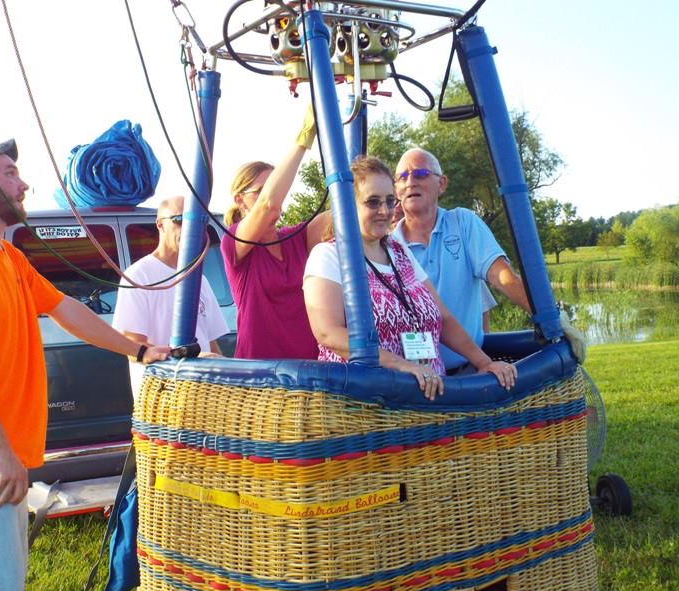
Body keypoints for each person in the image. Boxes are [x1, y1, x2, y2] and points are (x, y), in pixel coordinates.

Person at [0, 139, 169, 591]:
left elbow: (68, 310)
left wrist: (138, 350)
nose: (23, 183)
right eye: (10, 173)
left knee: (1, 579)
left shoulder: (10, 258)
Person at [303, 156, 517, 400]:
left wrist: (484, 362)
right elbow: (328, 332)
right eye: (373, 202)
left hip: (430, 398)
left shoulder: (399, 251)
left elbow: (443, 317)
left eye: (389, 201)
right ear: (348, 206)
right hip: (367, 404)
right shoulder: (329, 256)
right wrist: (402, 365)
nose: (384, 211)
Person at [391, 148, 535, 374]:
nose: (410, 182)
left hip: (467, 372)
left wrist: (550, 318)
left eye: (420, 174)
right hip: (415, 380)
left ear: (442, 184)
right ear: (396, 190)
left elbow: (502, 277)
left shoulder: (463, 223)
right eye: (402, 177)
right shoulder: (388, 248)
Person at [221, 107, 330, 359]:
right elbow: (268, 206)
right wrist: (303, 139)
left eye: (276, 186)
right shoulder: (233, 242)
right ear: (240, 200)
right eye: (260, 190)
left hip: (307, 370)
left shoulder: (297, 239)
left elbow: (344, 211)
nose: (276, 195)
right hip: (259, 373)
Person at [113, 195, 229, 396]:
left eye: (197, 221)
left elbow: (211, 344)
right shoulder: (138, 276)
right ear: (160, 224)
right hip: (161, 400)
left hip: (202, 399)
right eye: (179, 220)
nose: (189, 228)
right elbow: (131, 346)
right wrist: (190, 360)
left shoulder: (200, 279)